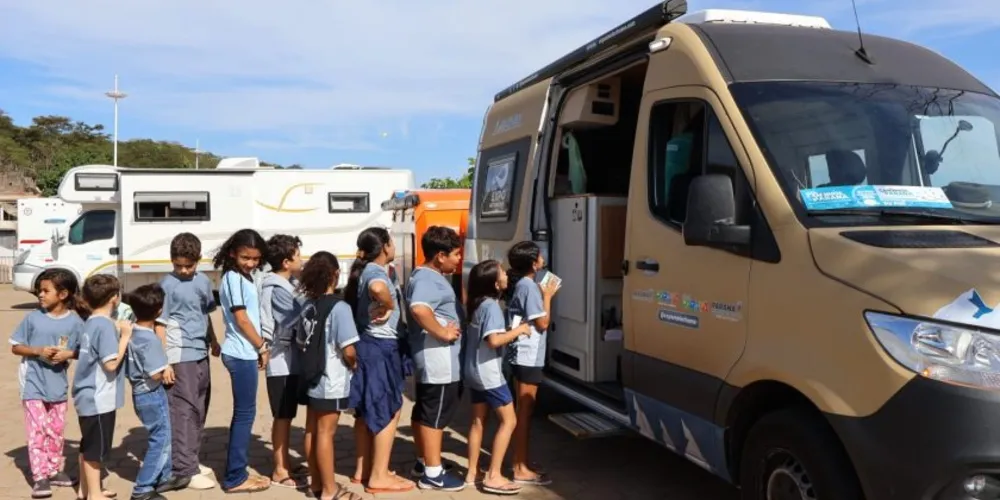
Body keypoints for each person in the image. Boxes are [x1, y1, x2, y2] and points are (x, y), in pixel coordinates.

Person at [345, 227, 415, 494]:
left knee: (365, 410)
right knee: (388, 409)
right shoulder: (375, 273)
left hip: (368, 346)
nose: (395, 246)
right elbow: (377, 288)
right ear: (385, 246)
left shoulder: (366, 270)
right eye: (392, 242)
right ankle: (379, 475)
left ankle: (362, 471)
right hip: (381, 348)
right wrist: (390, 305)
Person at [297, 251, 364, 500]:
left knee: (312, 431)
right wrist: (354, 363)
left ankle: (316, 483)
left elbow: (301, 341)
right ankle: (329, 489)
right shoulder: (340, 307)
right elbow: (348, 349)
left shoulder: (308, 306)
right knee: (326, 434)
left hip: (311, 377)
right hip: (331, 379)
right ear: (335, 275)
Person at [11, 269, 83, 498]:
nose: (40, 295)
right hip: (33, 383)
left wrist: (68, 354)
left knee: (56, 431)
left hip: (58, 386)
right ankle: (40, 477)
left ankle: (53, 471)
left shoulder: (75, 321)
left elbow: (85, 350)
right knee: (37, 431)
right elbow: (15, 346)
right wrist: (37, 351)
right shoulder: (33, 318)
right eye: (39, 290)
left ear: (63, 294)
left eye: (45, 290)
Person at [155, 232, 218, 490]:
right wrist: (164, 363)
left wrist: (213, 340)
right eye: (177, 265)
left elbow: (205, 314)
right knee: (183, 412)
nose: (182, 270)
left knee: (199, 409)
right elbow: (160, 325)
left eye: (188, 265)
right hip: (179, 356)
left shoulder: (203, 282)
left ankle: (192, 459)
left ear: (198, 260)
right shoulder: (166, 285)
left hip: (200, 352)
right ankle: (183, 470)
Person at [404, 225, 465, 491]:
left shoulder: (428, 276)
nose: (459, 259)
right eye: (456, 254)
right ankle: (433, 473)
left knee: (425, 411)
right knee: (435, 416)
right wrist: (442, 332)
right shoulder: (427, 279)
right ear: (440, 256)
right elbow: (419, 309)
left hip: (434, 360)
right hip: (437, 360)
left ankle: (424, 461)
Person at [214, 228, 271, 493]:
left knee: (244, 414)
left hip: (245, 352)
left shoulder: (244, 277)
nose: (250, 263)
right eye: (245, 257)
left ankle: (239, 470)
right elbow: (242, 319)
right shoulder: (233, 278)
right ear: (232, 254)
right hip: (241, 353)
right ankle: (235, 477)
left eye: (255, 258)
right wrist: (261, 347)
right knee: (245, 415)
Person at [463, 260, 527, 495]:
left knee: (478, 421)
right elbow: (494, 341)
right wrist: (518, 331)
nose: (506, 275)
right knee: (509, 421)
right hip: (488, 373)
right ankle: (494, 475)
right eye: (502, 272)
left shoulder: (477, 304)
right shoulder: (491, 307)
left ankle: (472, 473)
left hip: (473, 371)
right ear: (494, 282)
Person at [123, 284, 187, 500]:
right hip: (150, 394)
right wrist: (166, 370)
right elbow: (155, 373)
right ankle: (143, 488)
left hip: (140, 393)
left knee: (163, 435)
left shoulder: (131, 331)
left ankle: (165, 475)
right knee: (160, 439)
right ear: (159, 311)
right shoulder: (149, 339)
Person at [72, 274, 131, 500]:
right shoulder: (105, 327)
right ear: (115, 298)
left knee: (88, 443)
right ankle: (95, 494)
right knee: (95, 449)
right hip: (98, 398)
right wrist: (125, 337)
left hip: (86, 395)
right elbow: (111, 364)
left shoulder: (91, 322)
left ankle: (85, 489)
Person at [505, 241, 560, 485]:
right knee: (525, 411)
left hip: (523, 355)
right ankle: (520, 467)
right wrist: (547, 296)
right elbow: (543, 323)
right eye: (539, 255)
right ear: (533, 262)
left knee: (523, 410)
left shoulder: (524, 284)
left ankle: (521, 459)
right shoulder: (528, 287)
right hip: (528, 356)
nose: (542, 257)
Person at [260, 234, 308, 489]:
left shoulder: (286, 283)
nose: (302, 259)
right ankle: (279, 468)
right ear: (287, 262)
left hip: (289, 360)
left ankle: (285, 461)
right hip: (280, 361)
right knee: (282, 415)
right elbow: (296, 319)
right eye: (298, 256)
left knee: (287, 414)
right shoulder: (278, 288)